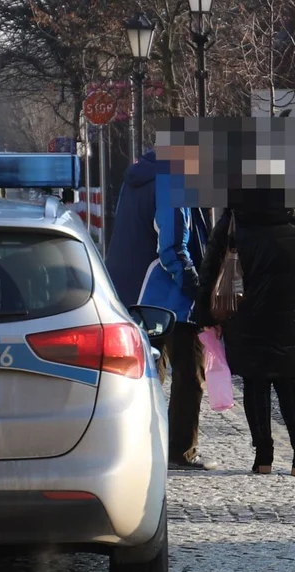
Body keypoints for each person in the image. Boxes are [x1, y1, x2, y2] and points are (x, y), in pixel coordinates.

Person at [195, 193, 295, 478]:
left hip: (244, 316)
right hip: (289, 317)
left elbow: (209, 270)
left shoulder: (233, 221)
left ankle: (263, 457)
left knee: (255, 384)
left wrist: (208, 316)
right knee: (290, 384)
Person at [106, 150, 214, 471]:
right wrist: (196, 288)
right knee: (190, 373)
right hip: (167, 299)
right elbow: (172, 248)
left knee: (145, 375)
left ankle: (135, 446)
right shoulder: (172, 183)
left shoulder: (137, 178)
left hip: (131, 295)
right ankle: (180, 452)